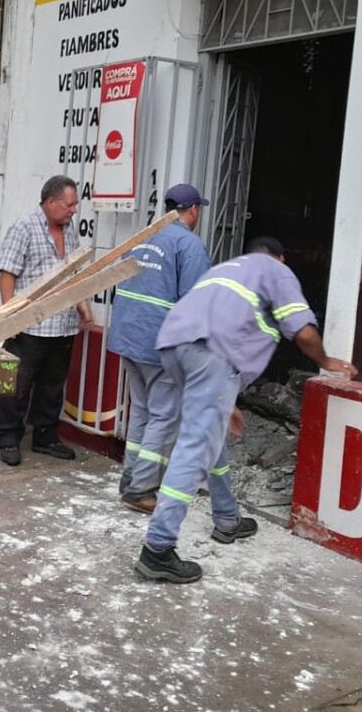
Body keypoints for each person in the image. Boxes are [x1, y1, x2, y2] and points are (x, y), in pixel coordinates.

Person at [135, 236, 358, 583]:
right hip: (211, 357)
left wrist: (227, 398)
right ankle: (158, 549)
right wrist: (326, 360)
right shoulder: (277, 272)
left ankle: (227, 519)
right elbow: (303, 333)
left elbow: (221, 326)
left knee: (213, 435)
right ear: (280, 258)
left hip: (174, 347)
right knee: (195, 449)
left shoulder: (229, 269)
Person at [108, 183, 212, 513]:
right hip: (161, 345)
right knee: (163, 417)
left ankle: (131, 479)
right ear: (193, 210)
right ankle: (140, 489)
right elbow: (197, 304)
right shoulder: (189, 246)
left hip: (129, 338)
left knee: (141, 411)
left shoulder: (142, 238)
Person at [0, 175, 93, 466]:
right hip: (31, 324)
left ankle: (45, 437)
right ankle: (8, 437)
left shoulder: (69, 230)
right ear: (51, 203)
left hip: (61, 326)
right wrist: (10, 316)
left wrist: (83, 306)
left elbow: (73, 273)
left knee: (52, 385)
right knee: (18, 385)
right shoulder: (24, 228)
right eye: (69, 204)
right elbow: (7, 273)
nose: (74, 210)